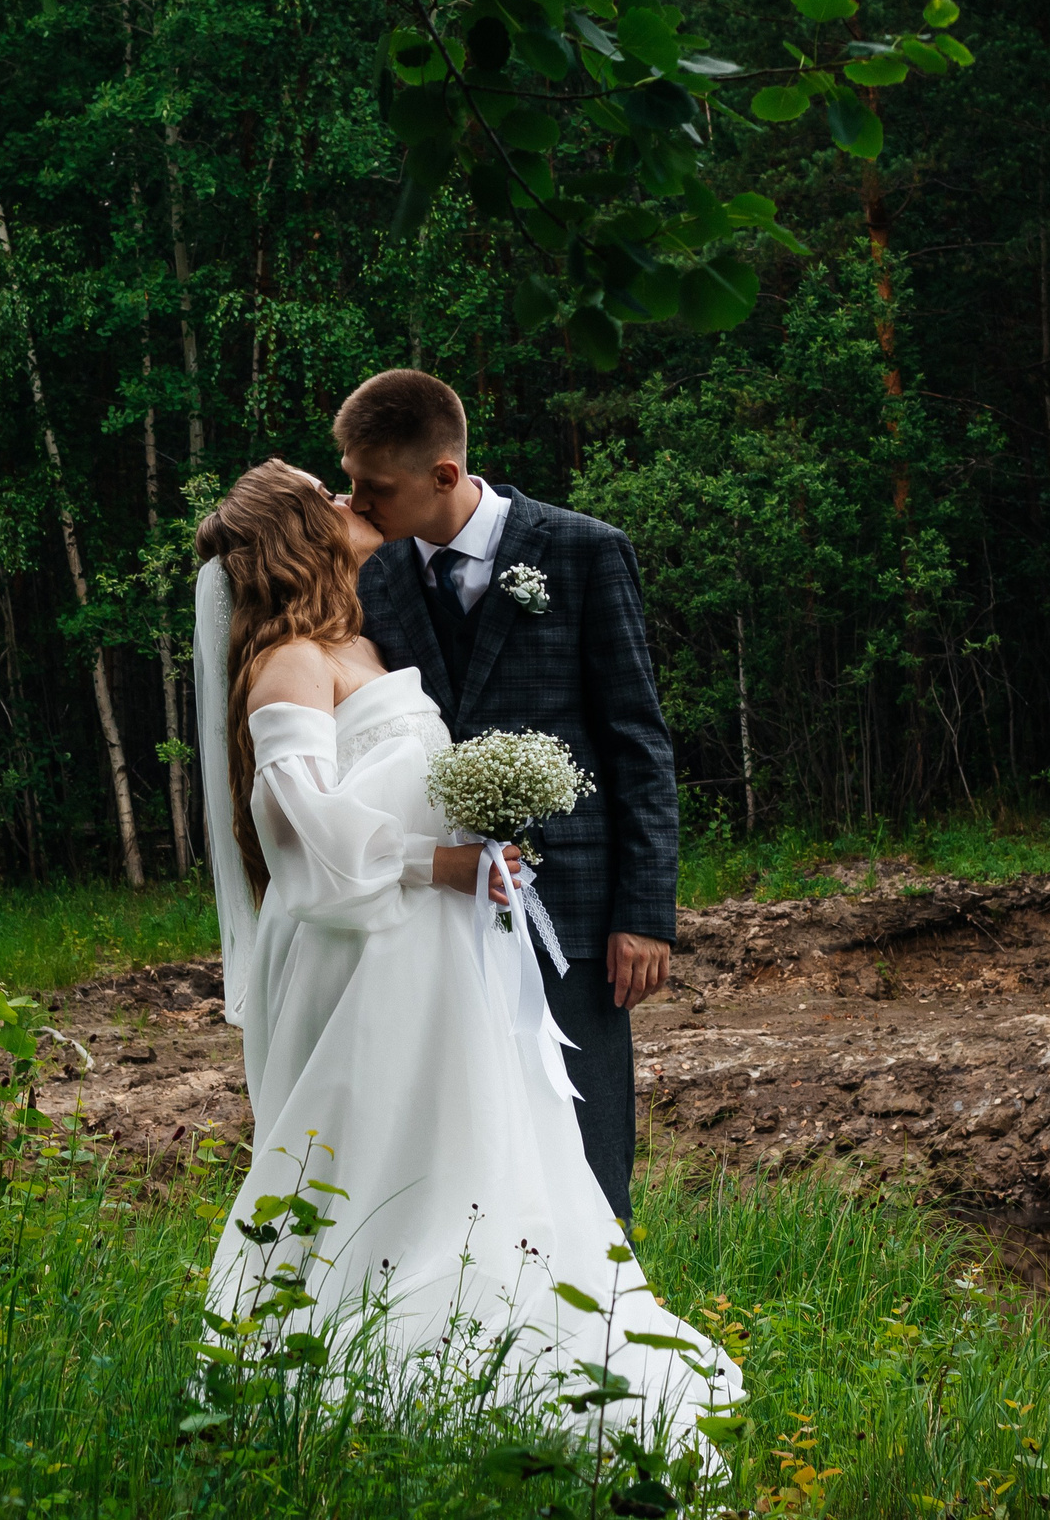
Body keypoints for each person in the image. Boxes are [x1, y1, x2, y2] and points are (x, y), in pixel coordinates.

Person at [193, 458, 736, 1447]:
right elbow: (301, 832)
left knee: (469, 1149)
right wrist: (438, 863)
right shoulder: (289, 664)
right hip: (365, 958)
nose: (353, 504)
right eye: (330, 497)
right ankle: (352, 1356)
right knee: (377, 1160)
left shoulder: (357, 639)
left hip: (437, 953)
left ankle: (507, 1324)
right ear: (300, 536)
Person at [337, 369, 678, 1222]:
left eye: (376, 486)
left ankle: (606, 1298)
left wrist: (644, 911)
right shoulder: (370, 576)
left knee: (589, 1142)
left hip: (574, 910)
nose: (356, 503)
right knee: (462, 1144)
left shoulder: (585, 551)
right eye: (350, 480)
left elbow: (637, 740)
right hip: (434, 914)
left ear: (444, 474)